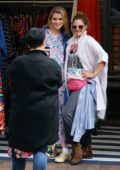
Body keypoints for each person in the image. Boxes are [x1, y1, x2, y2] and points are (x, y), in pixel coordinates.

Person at [7, 27, 62, 170]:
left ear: (27, 44)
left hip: (21, 115)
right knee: (41, 150)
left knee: (19, 150)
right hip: (46, 115)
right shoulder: (52, 64)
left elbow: (10, 83)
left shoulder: (17, 63)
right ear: (43, 42)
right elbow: (59, 83)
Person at [62, 12, 108, 165]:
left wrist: (93, 73)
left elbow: (103, 56)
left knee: (67, 113)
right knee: (81, 116)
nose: (77, 29)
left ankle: (76, 146)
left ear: (86, 27)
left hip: (84, 86)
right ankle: (87, 146)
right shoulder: (69, 42)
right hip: (72, 86)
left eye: (80, 26)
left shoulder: (89, 40)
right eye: (74, 27)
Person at [42, 6, 71, 162]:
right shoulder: (43, 34)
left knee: (60, 114)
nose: (57, 21)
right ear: (50, 19)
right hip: (45, 79)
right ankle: (50, 147)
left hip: (61, 81)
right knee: (47, 113)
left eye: (60, 19)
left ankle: (65, 148)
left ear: (64, 20)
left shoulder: (66, 36)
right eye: (54, 18)